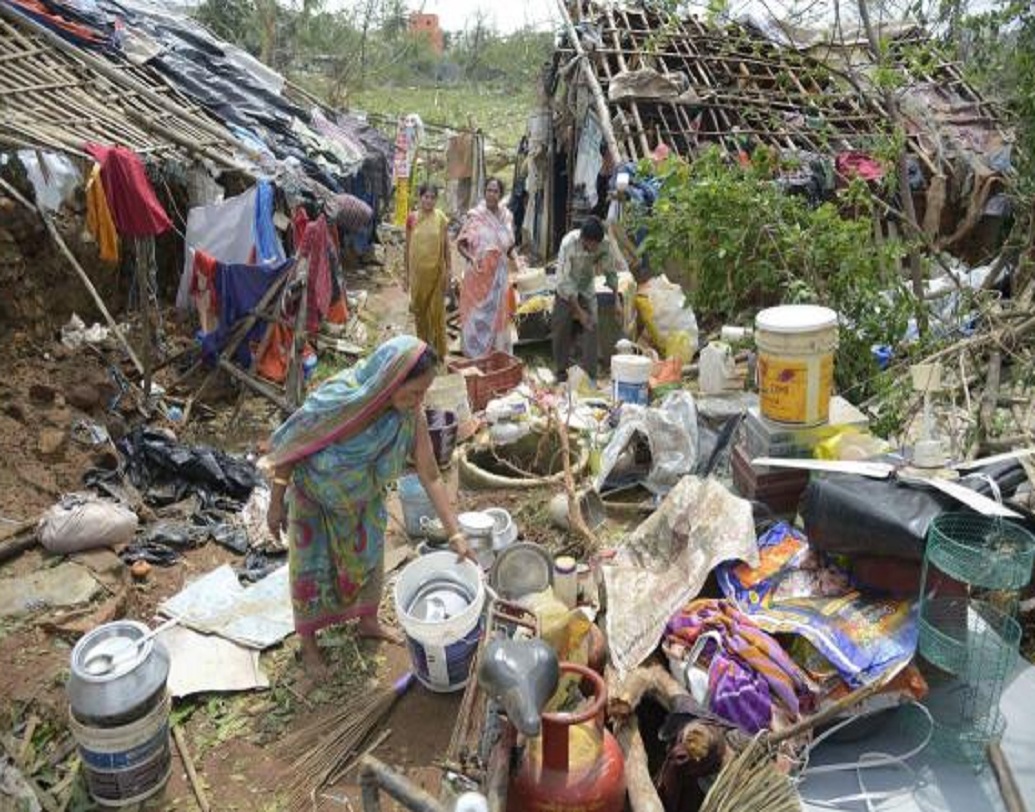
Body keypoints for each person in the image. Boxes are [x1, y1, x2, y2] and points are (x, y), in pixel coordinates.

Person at [264, 336, 472, 677]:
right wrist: (276, 504)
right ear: (391, 378)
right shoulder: (337, 399)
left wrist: (456, 535)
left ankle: (367, 622)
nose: (419, 401)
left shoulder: (408, 414)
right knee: (309, 574)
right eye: (414, 391)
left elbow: (431, 475)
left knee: (369, 562)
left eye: (423, 393)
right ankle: (311, 647)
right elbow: (291, 446)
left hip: (363, 503)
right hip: (313, 501)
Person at [551, 216, 627, 384]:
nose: (595, 248)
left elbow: (611, 273)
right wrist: (579, 312)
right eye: (592, 244)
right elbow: (564, 282)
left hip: (586, 286)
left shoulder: (603, 244)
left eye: (597, 244)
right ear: (584, 238)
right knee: (561, 325)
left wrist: (617, 302)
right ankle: (561, 372)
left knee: (592, 324)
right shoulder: (568, 243)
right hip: (565, 287)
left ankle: (590, 376)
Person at [457, 177, 516, 358]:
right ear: (484, 193)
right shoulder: (476, 216)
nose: (491, 194)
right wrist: (472, 259)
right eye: (489, 190)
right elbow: (461, 243)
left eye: (495, 191)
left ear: (501, 194)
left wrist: (516, 260)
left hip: (499, 275)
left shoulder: (507, 217)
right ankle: (474, 354)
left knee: (498, 314)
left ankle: (495, 354)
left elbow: (510, 245)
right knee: (477, 314)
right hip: (478, 274)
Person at [404, 184, 451, 358]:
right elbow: (407, 247)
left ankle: (439, 353)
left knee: (436, 312)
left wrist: (450, 268)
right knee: (420, 312)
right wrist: (406, 274)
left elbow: (446, 245)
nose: (429, 200)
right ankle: (423, 350)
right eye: (426, 197)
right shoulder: (412, 218)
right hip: (418, 275)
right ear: (420, 197)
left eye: (432, 197)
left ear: (436, 200)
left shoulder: (441, 218)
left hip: (437, 273)